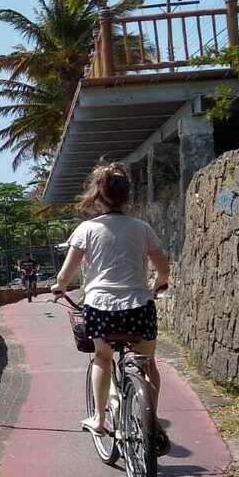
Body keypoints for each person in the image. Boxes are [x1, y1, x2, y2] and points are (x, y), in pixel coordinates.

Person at [51, 162, 171, 442]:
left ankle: (99, 418)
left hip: (101, 308)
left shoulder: (86, 229)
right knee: (147, 363)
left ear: (97, 196)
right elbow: (163, 268)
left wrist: (59, 287)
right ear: (126, 195)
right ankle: (150, 421)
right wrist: (156, 286)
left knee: (102, 358)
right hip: (138, 307)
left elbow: (65, 275)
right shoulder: (142, 228)